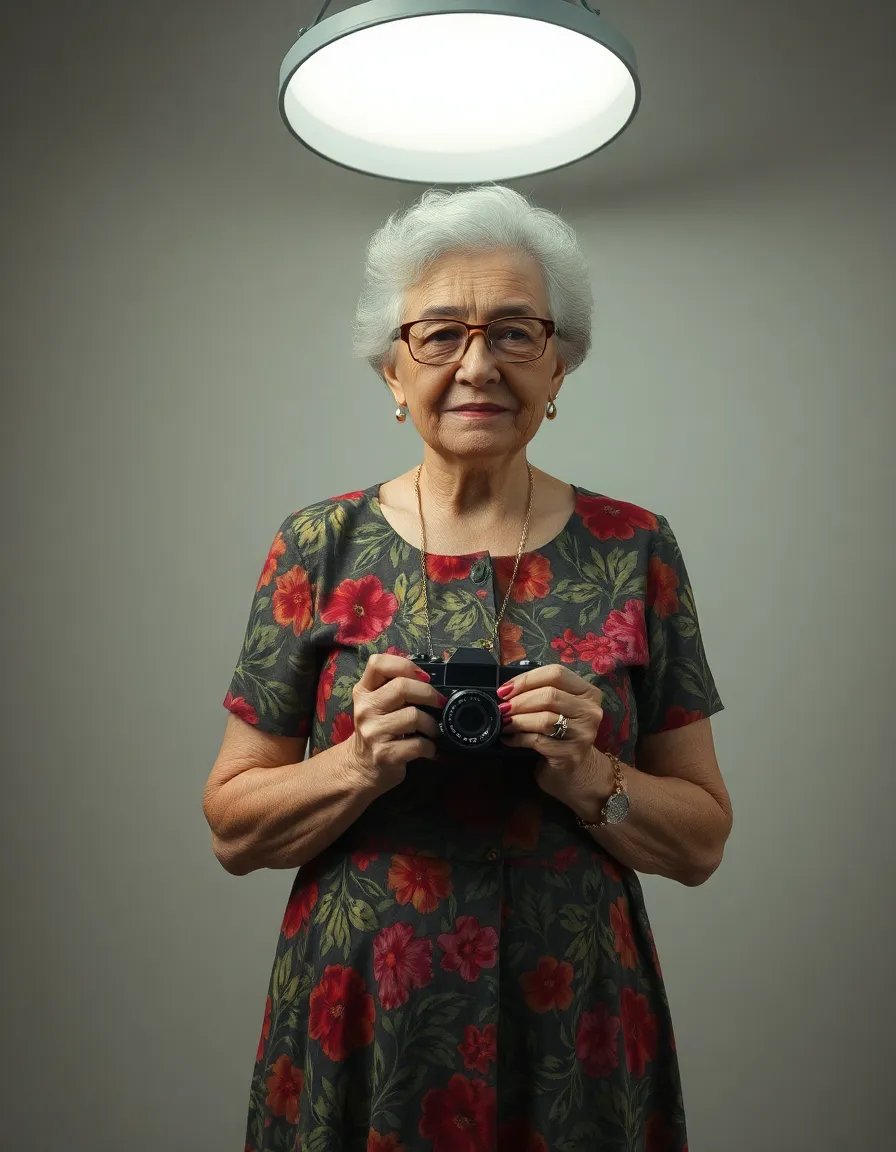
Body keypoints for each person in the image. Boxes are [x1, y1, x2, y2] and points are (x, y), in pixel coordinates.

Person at [203, 183, 733, 1152]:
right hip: (365, 1019)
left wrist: (591, 778)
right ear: (390, 373)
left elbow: (700, 839)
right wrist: (356, 763)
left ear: (559, 364)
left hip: (570, 1025)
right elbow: (232, 827)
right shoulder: (316, 546)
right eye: (439, 334)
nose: (476, 365)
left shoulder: (634, 549)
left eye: (514, 333)